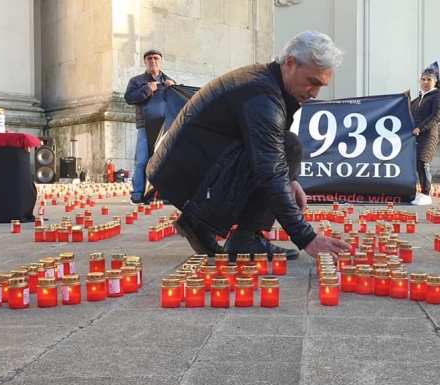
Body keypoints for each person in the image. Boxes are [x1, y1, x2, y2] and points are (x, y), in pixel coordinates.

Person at [146, 31, 352, 261]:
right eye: (313, 82)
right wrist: (307, 238)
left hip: (187, 163)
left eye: (321, 85)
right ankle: (240, 236)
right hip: (182, 171)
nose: (315, 93)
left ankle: (206, 226)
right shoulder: (262, 94)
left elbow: (272, 147)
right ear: (291, 64)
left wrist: (291, 180)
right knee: (283, 152)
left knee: (287, 146)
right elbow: (270, 170)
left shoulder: (266, 81)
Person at [124, 49, 176, 205]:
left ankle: (162, 193)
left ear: (161, 61)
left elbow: (176, 103)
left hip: (165, 127)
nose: (153, 61)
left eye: (156, 58)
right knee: (141, 160)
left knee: (164, 160)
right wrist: (147, 89)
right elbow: (129, 98)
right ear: (145, 62)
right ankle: (138, 193)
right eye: (149, 59)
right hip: (145, 126)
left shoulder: (169, 80)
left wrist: (173, 88)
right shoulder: (136, 81)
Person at [409, 62, 440, 206]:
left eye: (429, 80)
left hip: (427, 135)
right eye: (423, 79)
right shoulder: (419, 99)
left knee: (423, 161)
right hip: (414, 136)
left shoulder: (439, 95)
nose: (425, 82)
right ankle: (412, 192)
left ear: (435, 81)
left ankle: (426, 193)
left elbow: (436, 115)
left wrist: (421, 128)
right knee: (414, 163)